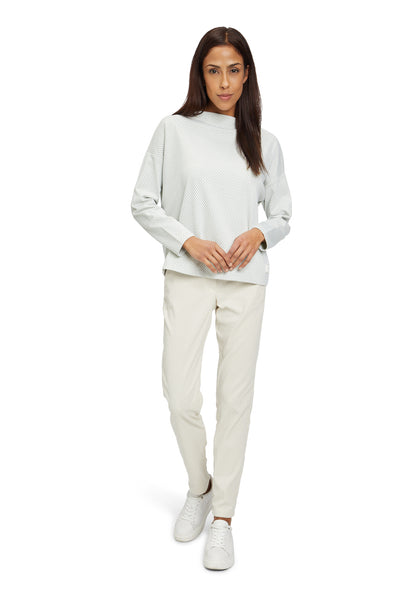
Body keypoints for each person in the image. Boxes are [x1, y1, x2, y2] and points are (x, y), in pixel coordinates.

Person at [130, 26, 292, 570]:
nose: (224, 82)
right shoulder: (173, 131)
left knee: (235, 400)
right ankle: (199, 487)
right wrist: (188, 240)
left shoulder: (264, 141)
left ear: (247, 75)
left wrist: (260, 232)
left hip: (246, 282)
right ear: (200, 75)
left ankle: (223, 517)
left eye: (234, 70)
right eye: (214, 70)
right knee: (179, 393)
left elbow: (283, 213)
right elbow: (143, 202)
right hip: (188, 274)